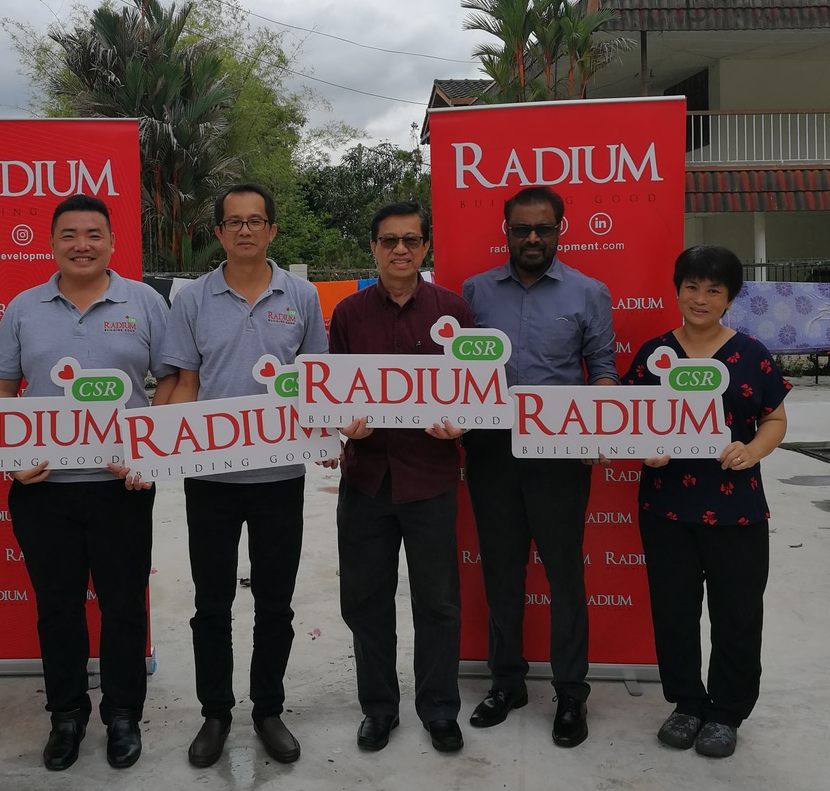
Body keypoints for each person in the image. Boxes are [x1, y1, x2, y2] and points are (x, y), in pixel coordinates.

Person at [0, 194, 175, 772]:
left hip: (122, 488)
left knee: (124, 607)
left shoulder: (145, 302)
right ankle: (66, 715)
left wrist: (151, 452)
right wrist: (11, 457)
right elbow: (1, 388)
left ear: (112, 243)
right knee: (57, 609)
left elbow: (172, 379)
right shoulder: (23, 308)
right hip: (43, 489)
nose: (82, 245)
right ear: (52, 244)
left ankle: (123, 715)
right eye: (69, 234)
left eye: (94, 234)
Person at [162, 182, 327, 768]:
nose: (246, 230)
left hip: (280, 477)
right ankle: (215, 712)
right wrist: (160, 448)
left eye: (256, 220)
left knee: (275, 604)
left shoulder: (302, 296)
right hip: (210, 478)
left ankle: (268, 709)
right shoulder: (192, 300)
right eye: (234, 222)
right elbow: (184, 382)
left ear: (272, 230)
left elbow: (316, 381)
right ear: (219, 233)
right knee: (211, 603)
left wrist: (329, 436)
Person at [462, 185, 616, 748]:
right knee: (502, 573)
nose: (532, 238)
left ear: (559, 230)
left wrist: (599, 423)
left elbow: (602, 368)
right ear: (505, 231)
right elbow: (457, 373)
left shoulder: (588, 292)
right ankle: (508, 683)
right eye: (521, 228)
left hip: (560, 456)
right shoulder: (475, 293)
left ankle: (571, 693)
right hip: (491, 452)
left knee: (565, 576)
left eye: (543, 229)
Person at [623, 245, 789, 759]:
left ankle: (726, 713)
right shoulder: (654, 354)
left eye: (714, 290)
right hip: (666, 509)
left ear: (730, 298)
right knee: (673, 612)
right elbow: (627, 419)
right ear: (676, 291)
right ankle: (686, 704)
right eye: (691, 286)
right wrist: (644, 449)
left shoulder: (753, 354)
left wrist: (752, 449)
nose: (700, 298)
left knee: (737, 614)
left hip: (737, 509)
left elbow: (775, 419)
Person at [330, 201, 471, 755]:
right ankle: (379, 708)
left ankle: (439, 708)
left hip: (430, 477)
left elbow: (473, 391)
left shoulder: (454, 311)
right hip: (366, 478)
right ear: (373, 247)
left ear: (425, 246)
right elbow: (333, 392)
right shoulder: (348, 314)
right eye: (389, 240)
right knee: (366, 601)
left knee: (438, 602)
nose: (400, 250)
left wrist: (461, 424)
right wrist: (343, 424)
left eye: (411, 240)